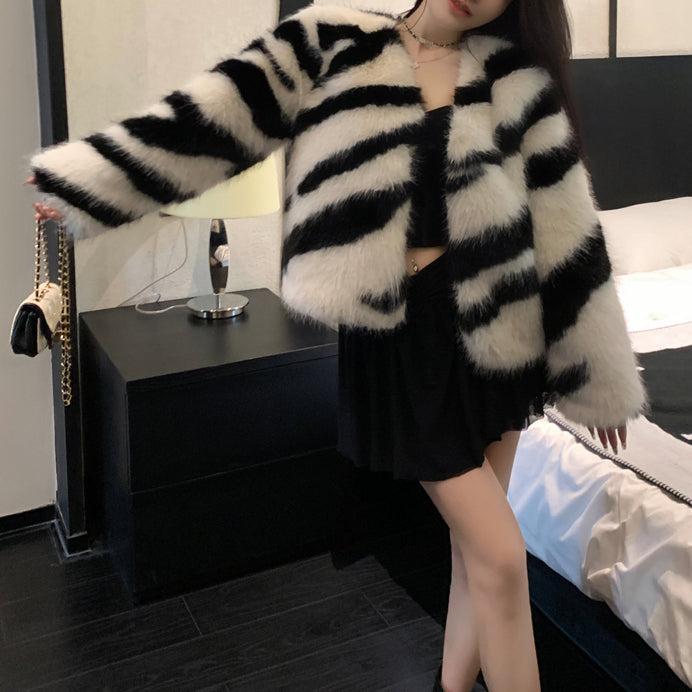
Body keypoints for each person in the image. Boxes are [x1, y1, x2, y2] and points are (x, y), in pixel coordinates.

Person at [24, 1, 648, 691]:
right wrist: (89, 186)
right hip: (400, 337)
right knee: (500, 556)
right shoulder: (334, 39)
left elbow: (567, 225)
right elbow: (218, 118)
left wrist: (601, 374)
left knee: (477, 551)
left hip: (500, 335)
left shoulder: (515, 78)